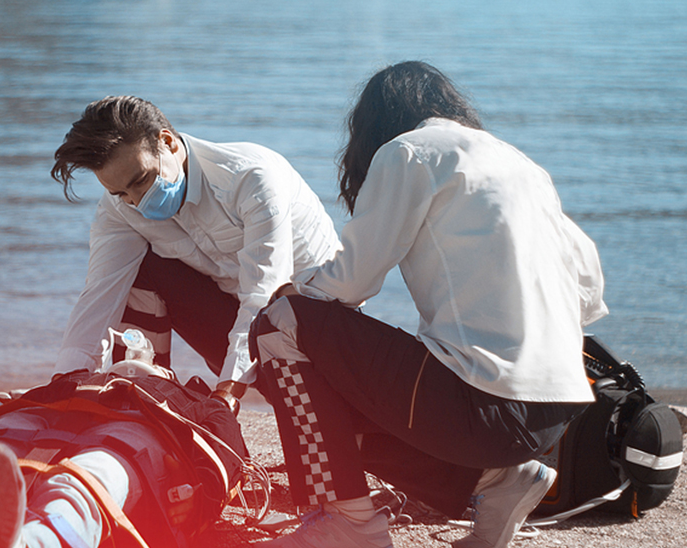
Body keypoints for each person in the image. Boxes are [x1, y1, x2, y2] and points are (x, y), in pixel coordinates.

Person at [250, 62, 607, 548]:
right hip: (557, 414)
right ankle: (499, 480)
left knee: (277, 326)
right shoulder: (521, 165)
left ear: (375, 124)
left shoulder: (407, 152)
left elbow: (350, 283)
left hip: (484, 410)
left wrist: (292, 294)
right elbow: (590, 287)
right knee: (334, 380)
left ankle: (350, 522)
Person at [49, 95, 340, 411]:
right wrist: (65, 382)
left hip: (316, 325)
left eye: (142, 180)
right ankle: (140, 401)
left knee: (363, 445)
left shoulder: (251, 179)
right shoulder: (120, 209)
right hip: (237, 319)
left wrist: (226, 394)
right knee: (136, 270)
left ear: (168, 143)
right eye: (121, 193)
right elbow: (100, 295)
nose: (137, 202)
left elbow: (262, 296)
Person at [0, 365, 252, 548]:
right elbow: (230, 459)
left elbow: (226, 454)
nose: (135, 363)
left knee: (86, 475)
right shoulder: (74, 381)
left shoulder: (187, 399)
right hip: (48, 415)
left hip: (137, 426)